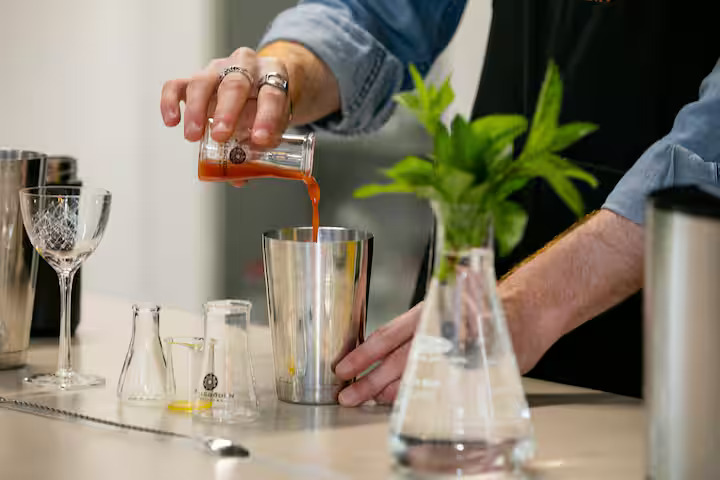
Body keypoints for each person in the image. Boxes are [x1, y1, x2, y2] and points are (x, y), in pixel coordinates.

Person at [161, 0, 720, 405]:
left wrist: (534, 303)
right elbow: (378, 12)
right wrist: (287, 71)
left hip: (677, 329)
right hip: (477, 295)